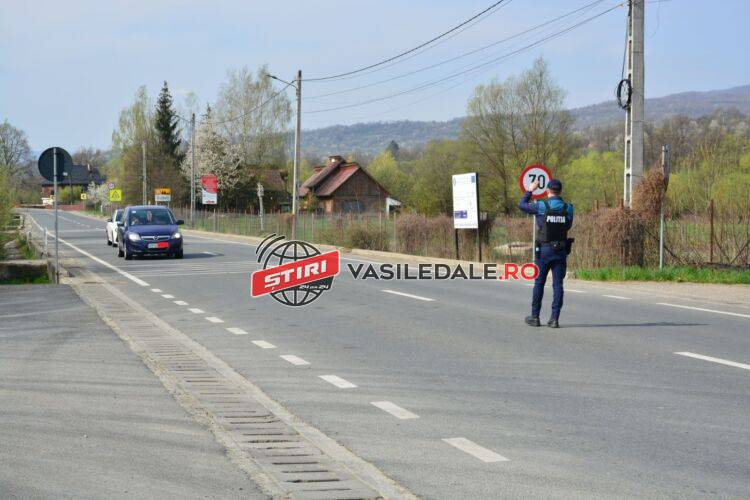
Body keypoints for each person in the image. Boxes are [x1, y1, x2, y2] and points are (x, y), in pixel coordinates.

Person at [518, 178, 574, 328]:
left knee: (539, 283)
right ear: (560, 191)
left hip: (543, 250)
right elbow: (568, 226)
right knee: (558, 285)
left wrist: (530, 190)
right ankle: (554, 319)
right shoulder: (568, 208)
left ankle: (535, 317)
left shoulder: (542, 206)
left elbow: (522, 205)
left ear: (548, 190)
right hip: (560, 250)